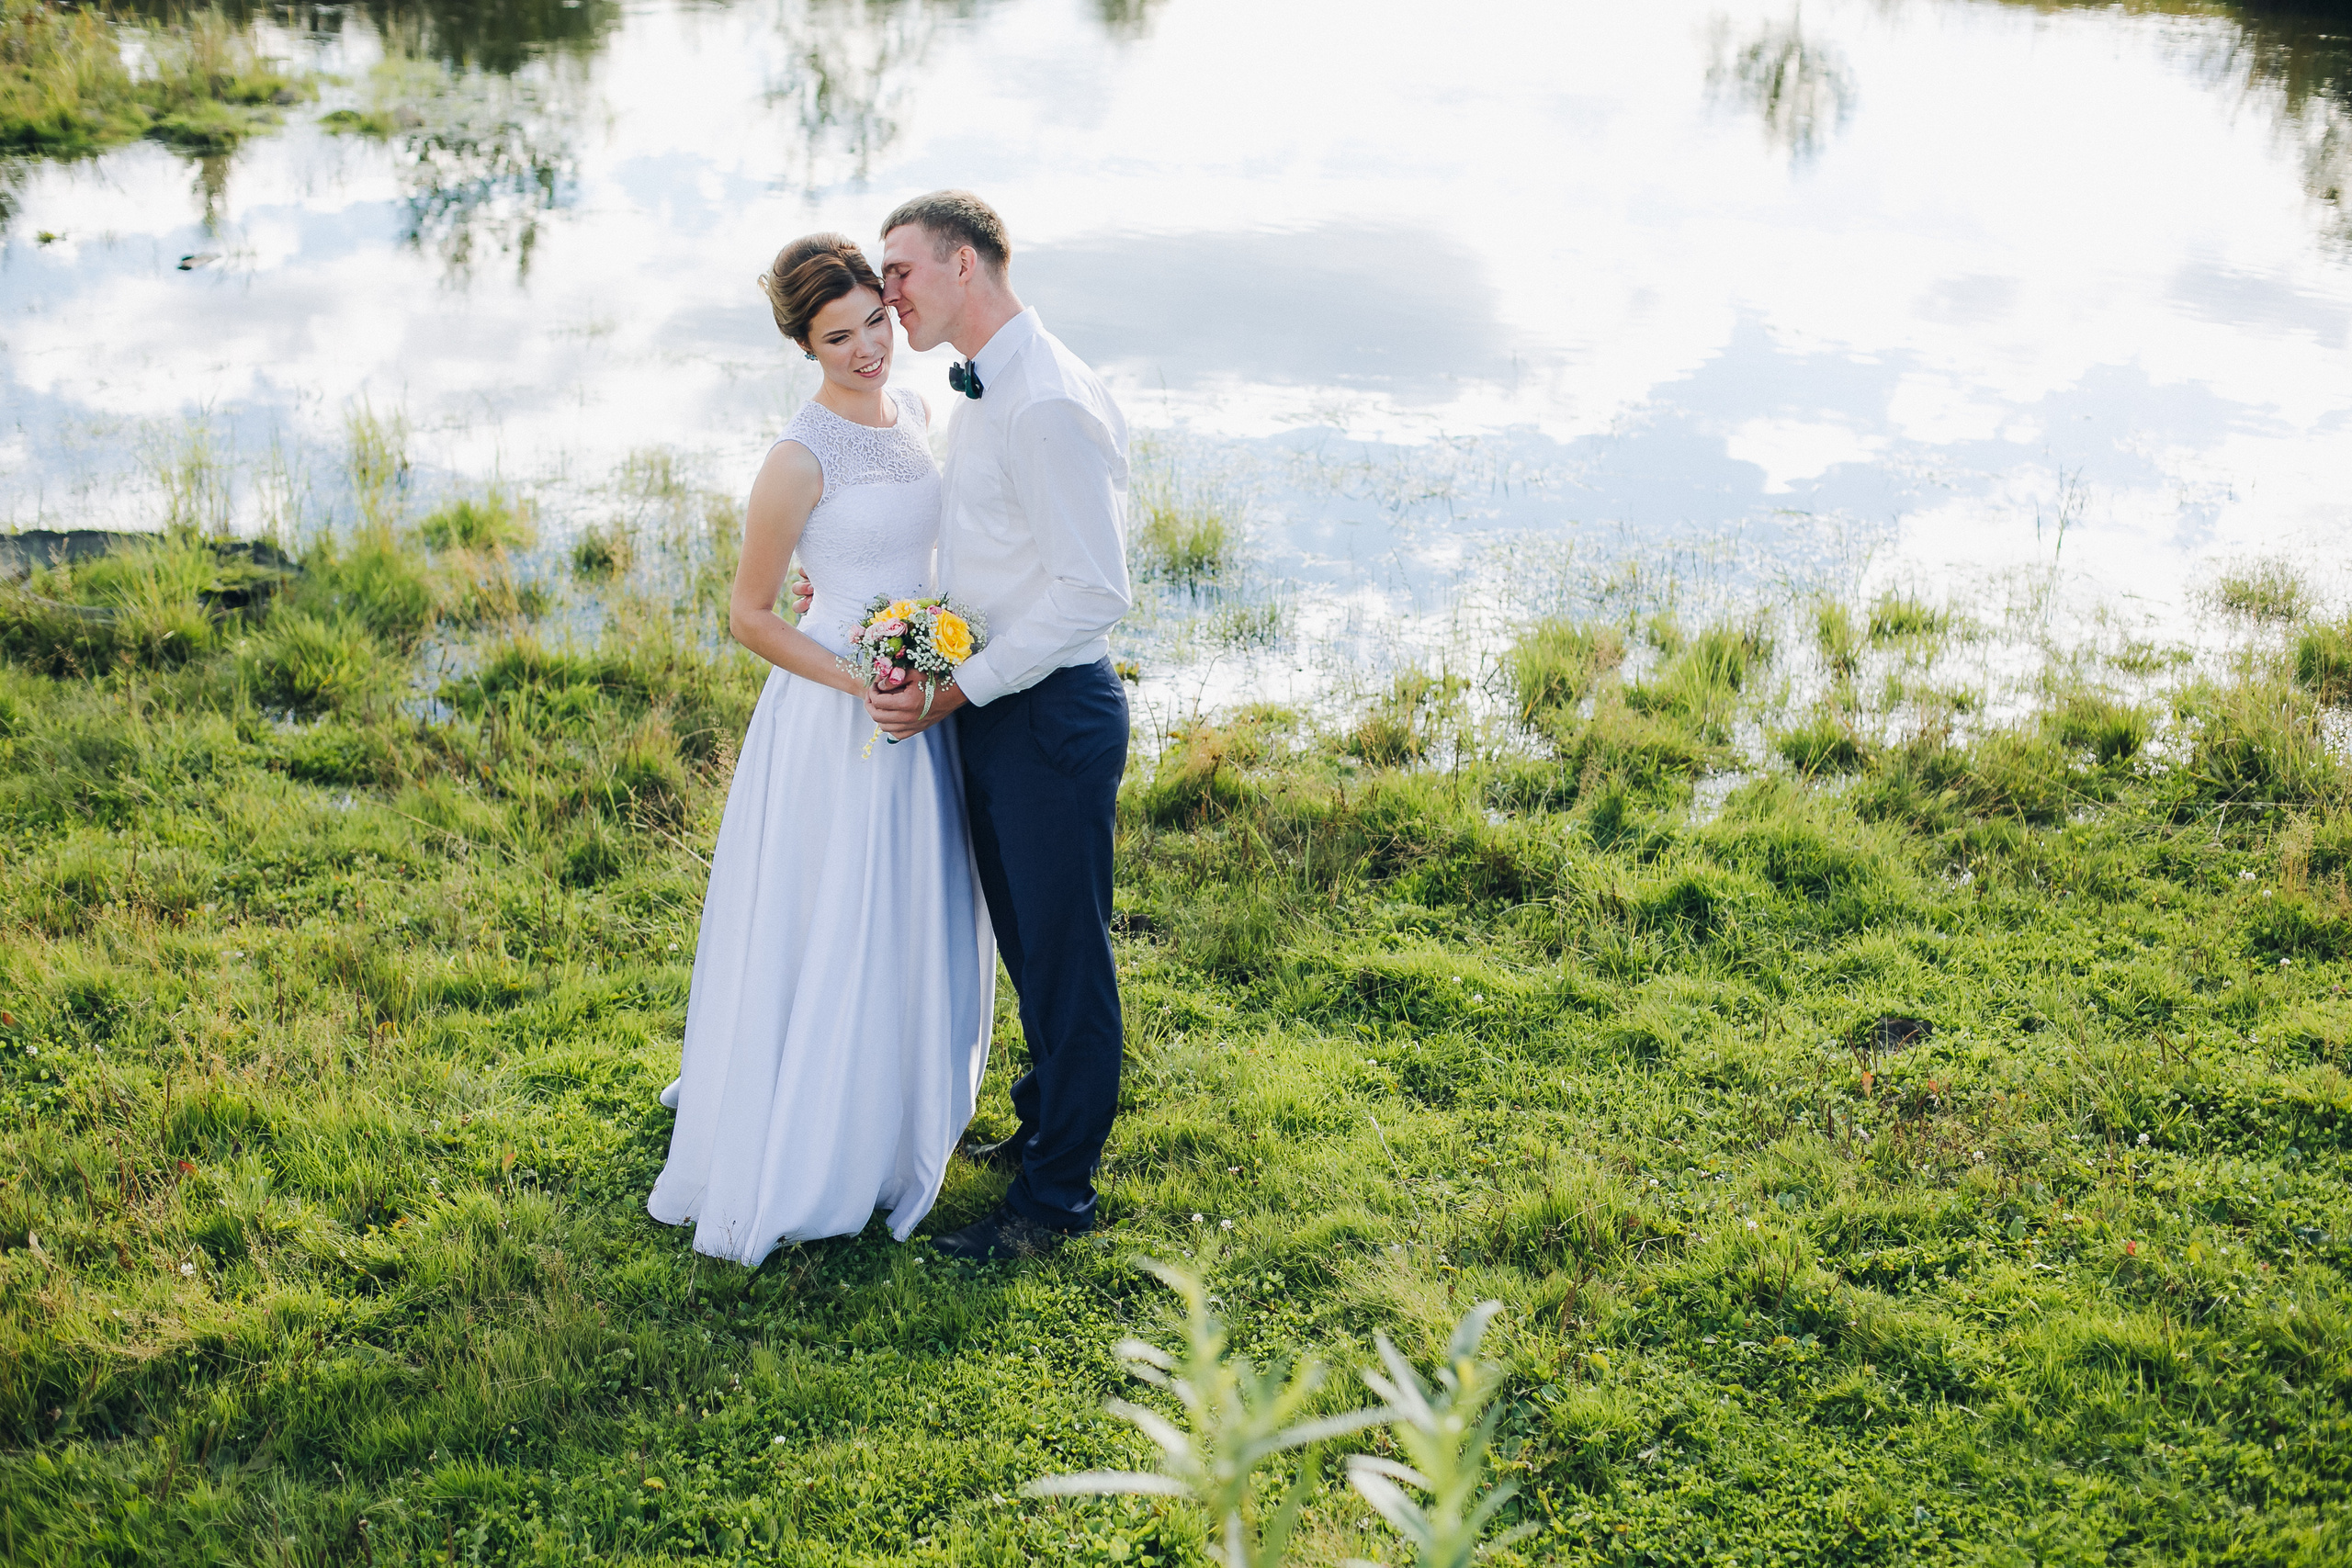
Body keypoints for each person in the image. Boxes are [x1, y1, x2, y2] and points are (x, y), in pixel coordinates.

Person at [645, 233, 994, 1266]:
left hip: (916, 703)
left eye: (876, 323)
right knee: (829, 906)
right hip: (835, 713)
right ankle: (814, 1117)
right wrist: (861, 679)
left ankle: (894, 1103)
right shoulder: (796, 460)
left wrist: (925, 662)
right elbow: (751, 615)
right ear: (804, 346)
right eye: (837, 337)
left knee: (906, 903)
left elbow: (911, 550)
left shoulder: (920, 412)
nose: (867, 351)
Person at [855, 190, 1134, 1261]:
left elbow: (1089, 592)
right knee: (1026, 942)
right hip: (995, 704)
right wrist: (909, 637)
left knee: (1067, 957)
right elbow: (989, 561)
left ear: (964, 265)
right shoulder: (986, 392)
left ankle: (1056, 1200)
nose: (889, 296)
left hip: (1047, 714)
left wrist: (959, 692)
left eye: (902, 272)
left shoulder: (1044, 401)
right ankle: (1040, 1120)